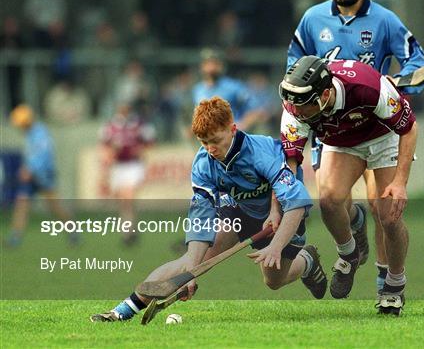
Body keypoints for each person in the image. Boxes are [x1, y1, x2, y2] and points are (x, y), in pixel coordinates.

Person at [91, 97, 327, 322]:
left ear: (232, 129)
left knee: (274, 280)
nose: (210, 148)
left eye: (215, 140)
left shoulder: (261, 151)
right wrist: (191, 273)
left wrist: (276, 246)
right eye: (204, 142)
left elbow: (296, 204)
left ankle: (308, 260)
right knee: (193, 259)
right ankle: (122, 311)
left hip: (283, 212)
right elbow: (201, 219)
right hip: (239, 211)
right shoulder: (204, 164)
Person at [285, 0, 424, 294]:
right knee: (332, 199)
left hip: (378, 122)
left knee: (382, 208)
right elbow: (293, 68)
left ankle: (385, 281)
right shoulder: (312, 19)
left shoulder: (385, 20)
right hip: (332, 127)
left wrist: (398, 85)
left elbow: (418, 60)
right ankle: (352, 242)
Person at [280, 56, 418, 315]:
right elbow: (291, 161)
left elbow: (409, 129)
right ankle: (348, 254)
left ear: (325, 94)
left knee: (388, 216)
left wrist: (400, 182)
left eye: (306, 106)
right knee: (329, 200)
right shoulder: (295, 104)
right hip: (341, 142)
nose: (298, 112)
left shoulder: (367, 87)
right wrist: (285, 202)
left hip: (383, 138)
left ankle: (394, 284)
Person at [5, 105, 77, 247]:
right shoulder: (29, 134)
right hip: (30, 177)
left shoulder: (40, 133)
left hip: (43, 176)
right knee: (22, 203)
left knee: (55, 207)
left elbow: (44, 155)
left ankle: (73, 231)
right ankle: (15, 237)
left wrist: (30, 169)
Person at [98, 102, 155, 246]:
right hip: (118, 166)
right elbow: (104, 147)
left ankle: (128, 232)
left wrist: (140, 149)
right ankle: (131, 229)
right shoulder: (111, 126)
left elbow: (150, 142)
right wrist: (106, 163)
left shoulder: (138, 124)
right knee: (123, 201)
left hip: (133, 165)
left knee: (128, 196)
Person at [191, 48, 265, 132]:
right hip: (208, 139)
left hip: (231, 138)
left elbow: (255, 108)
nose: (211, 67)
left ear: (221, 66)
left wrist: (243, 124)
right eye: (208, 63)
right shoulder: (197, 90)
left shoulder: (234, 87)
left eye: (215, 63)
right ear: (202, 66)